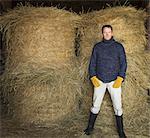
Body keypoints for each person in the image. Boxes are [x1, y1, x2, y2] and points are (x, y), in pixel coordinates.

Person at [84, 25, 127, 138]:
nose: (107, 34)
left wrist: (120, 77)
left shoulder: (118, 47)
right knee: (95, 104)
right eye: (105, 32)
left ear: (112, 33)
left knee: (118, 106)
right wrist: (93, 76)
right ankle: (89, 128)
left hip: (114, 81)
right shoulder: (97, 47)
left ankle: (121, 131)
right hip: (100, 80)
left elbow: (123, 63)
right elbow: (92, 63)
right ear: (102, 34)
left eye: (109, 32)